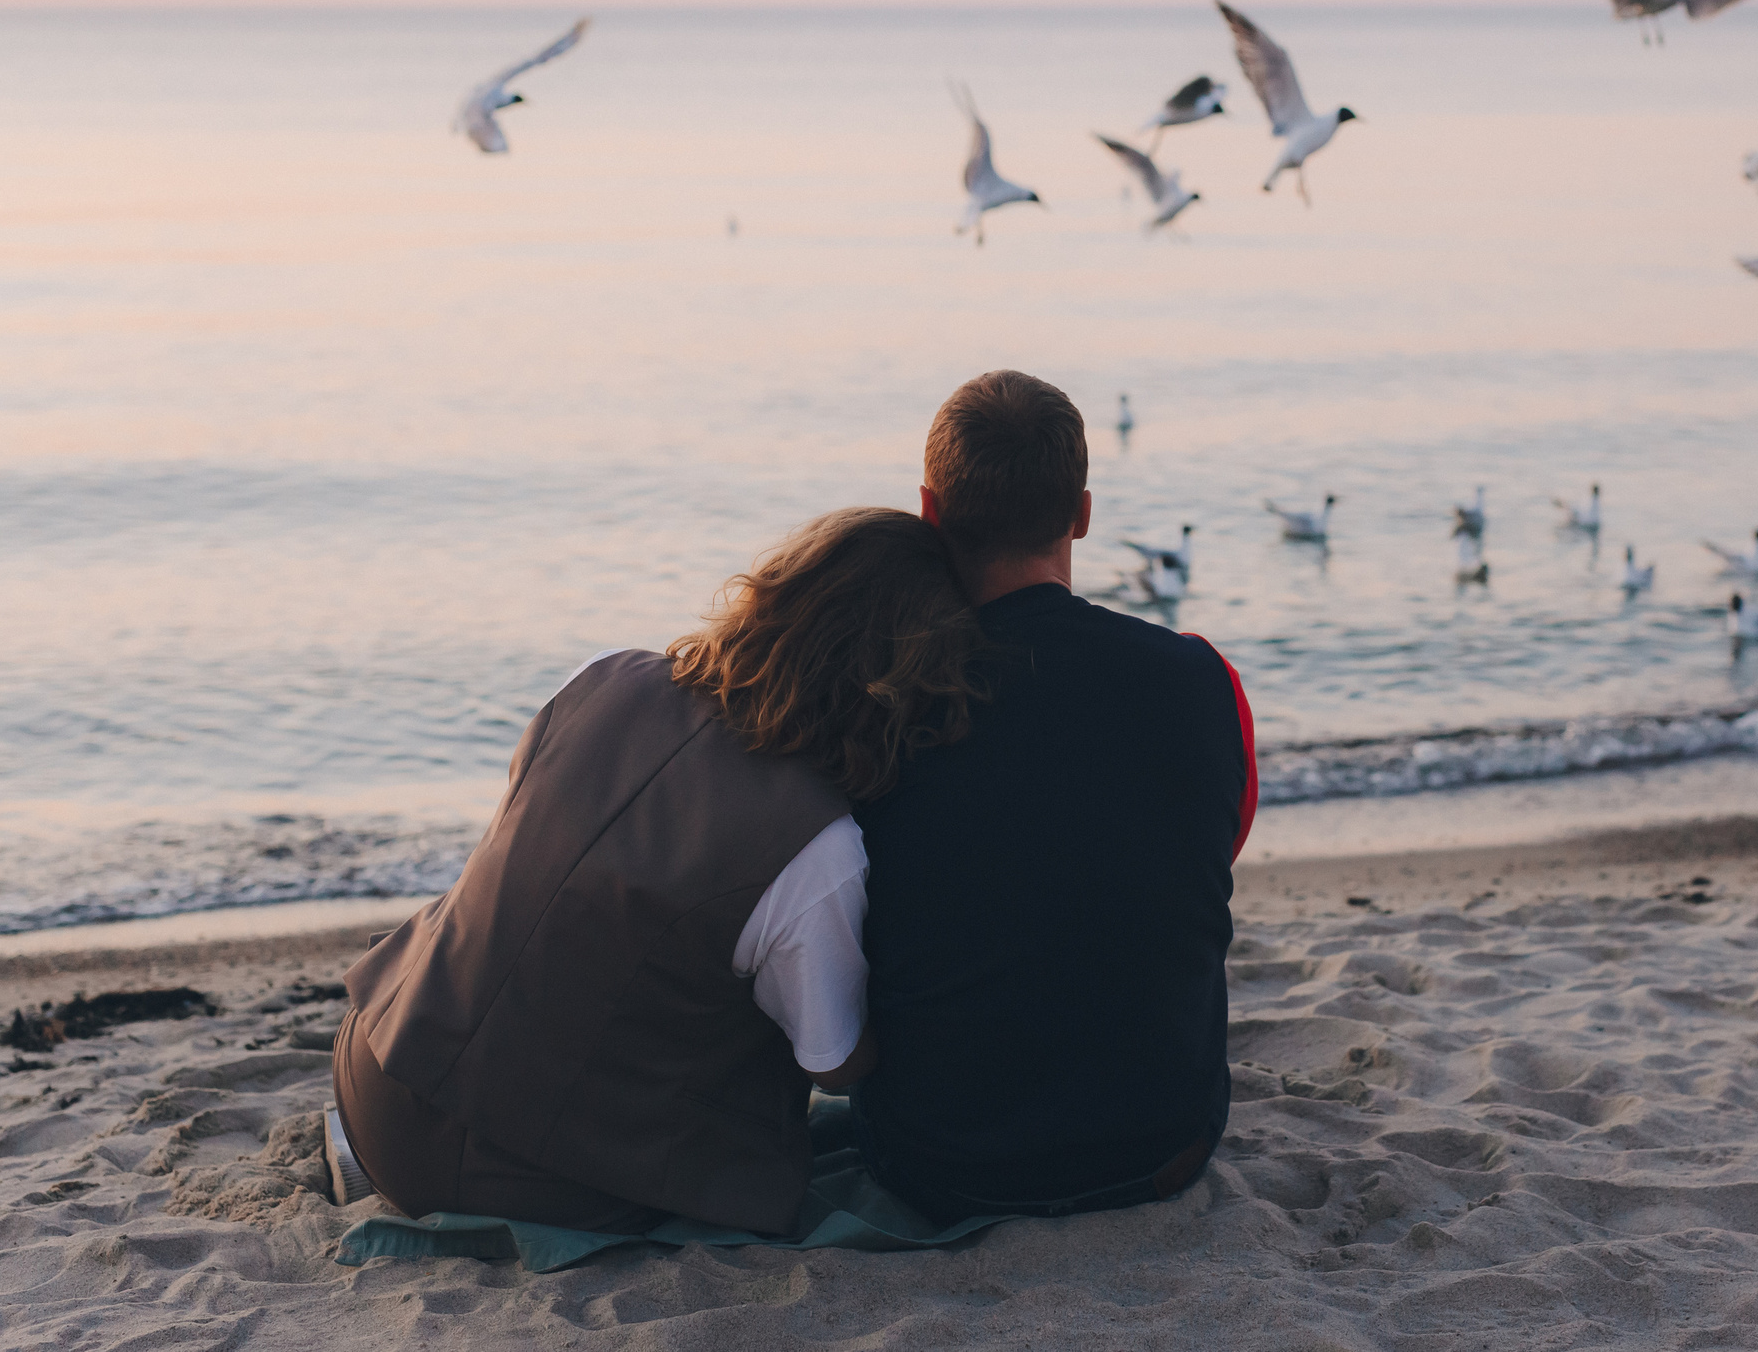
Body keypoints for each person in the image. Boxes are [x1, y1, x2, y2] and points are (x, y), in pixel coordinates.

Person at [331, 508, 981, 1235]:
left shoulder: (603, 676)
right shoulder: (815, 845)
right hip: (501, 1175)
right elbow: (834, 1062)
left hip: (372, 1068)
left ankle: (368, 1157)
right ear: (895, 681)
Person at [853, 370, 1257, 1221]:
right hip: (1162, 1146)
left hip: (943, 1162)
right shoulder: (1203, 680)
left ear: (930, 509)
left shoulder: (883, 705)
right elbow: (1204, 850)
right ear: (1081, 512)